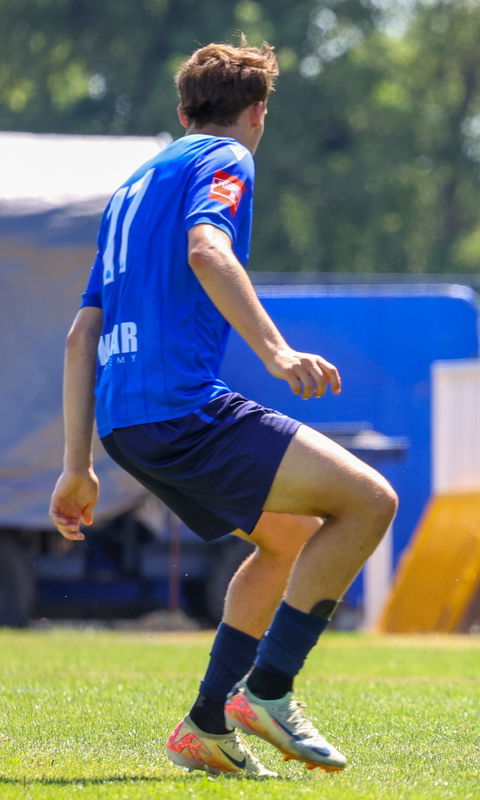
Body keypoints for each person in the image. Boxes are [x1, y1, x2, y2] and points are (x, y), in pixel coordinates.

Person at [48, 38, 398, 776]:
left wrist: (77, 467)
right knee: (371, 501)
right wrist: (278, 353)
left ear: (183, 113)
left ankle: (206, 725)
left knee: (288, 535)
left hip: (124, 424)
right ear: (258, 112)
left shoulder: (130, 190)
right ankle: (267, 690)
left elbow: (82, 335)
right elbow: (208, 249)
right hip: (181, 409)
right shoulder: (227, 157)